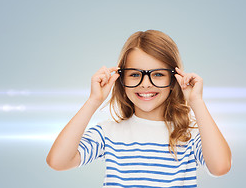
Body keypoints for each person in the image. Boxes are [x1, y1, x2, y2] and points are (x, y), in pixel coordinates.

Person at [46, 30, 232, 187]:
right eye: (135, 74)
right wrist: (94, 100)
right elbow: (58, 162)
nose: (145, 84)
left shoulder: (188, 135)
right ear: (121, 79)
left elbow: (220, 167)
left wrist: (196, 102)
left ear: (173, 79)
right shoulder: (108, 132)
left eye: (158, 74)